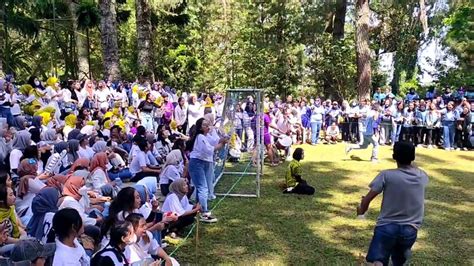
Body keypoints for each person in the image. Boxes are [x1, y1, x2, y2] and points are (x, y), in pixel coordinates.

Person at [357, 141, 428, 265]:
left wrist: (361, 210)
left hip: (386, 227)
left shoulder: (386, 175)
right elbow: (414, 167)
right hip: (410, 230)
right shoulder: (422, 176)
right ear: (413, 157)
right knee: (399, 261)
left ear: (394, 157)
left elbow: (368, 199)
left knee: (377, 260)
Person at [187, 118, 228, 223]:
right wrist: (222, 144)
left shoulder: (206, 136)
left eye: (208, 124)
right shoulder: (200, 137)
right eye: (205, 125)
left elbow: (215, 141)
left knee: (201, 187)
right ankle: (204, 212)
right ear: (201, 127)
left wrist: (223, 139)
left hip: (203, 163)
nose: (208, 126)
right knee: (203, 187)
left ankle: (197, 208)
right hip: (197, 163)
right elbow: (210, 149)